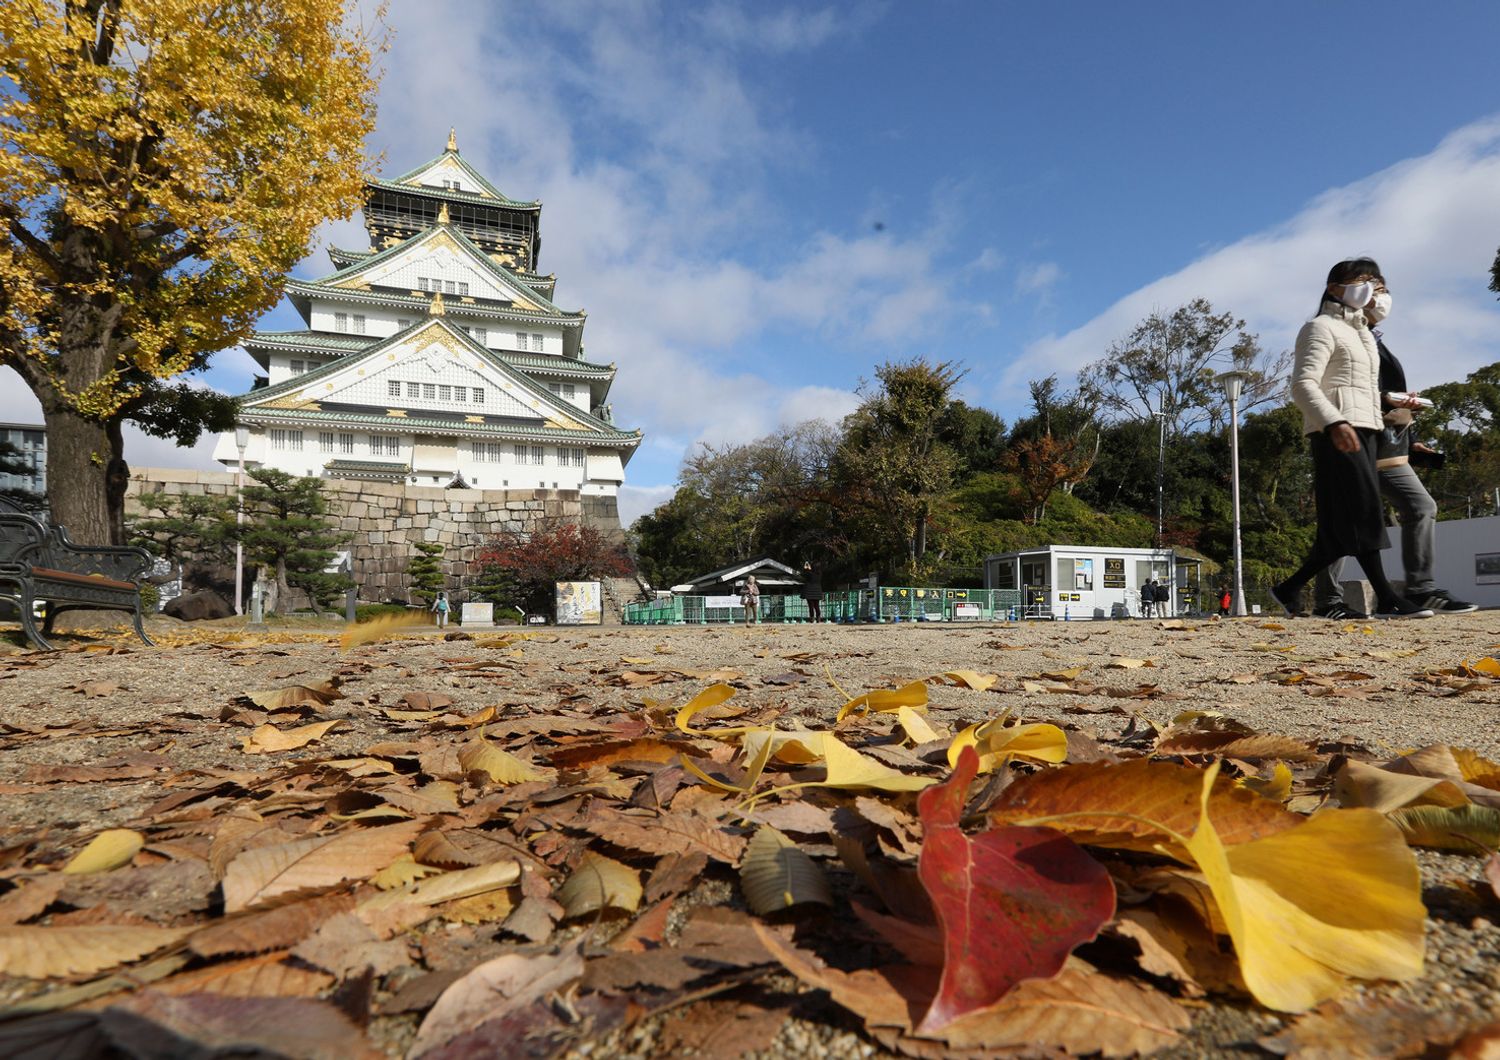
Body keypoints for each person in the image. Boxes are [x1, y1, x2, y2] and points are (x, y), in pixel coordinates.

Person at [1270, 258, 1432, 619]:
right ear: (1334, 288)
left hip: (1367, 429)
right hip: (1337, 432)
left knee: (1341, 523)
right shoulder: (1319, 327)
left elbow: (1362, 388)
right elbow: (1302, 385)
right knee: (1363, 513)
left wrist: (1390, 405)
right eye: (1362, 280)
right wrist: (1333, 422)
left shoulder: (1363, 335)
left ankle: (1289, 587)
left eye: (1376, 282)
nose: (1371, 288)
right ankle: (1388, 596)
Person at [1309, 281, 1476, 618]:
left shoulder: (1377, 342)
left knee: (1421, 506)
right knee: (1344, 518)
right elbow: (1325, 386)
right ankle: (1327, 602)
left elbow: (1387, 390)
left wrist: (1410, 436)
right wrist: (1384, 401)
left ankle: (1422, 588)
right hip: (1352, 439)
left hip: (1389, 445)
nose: (1380, 298)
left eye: (1383, 290)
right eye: (1372, 289)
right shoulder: (1331, 332)